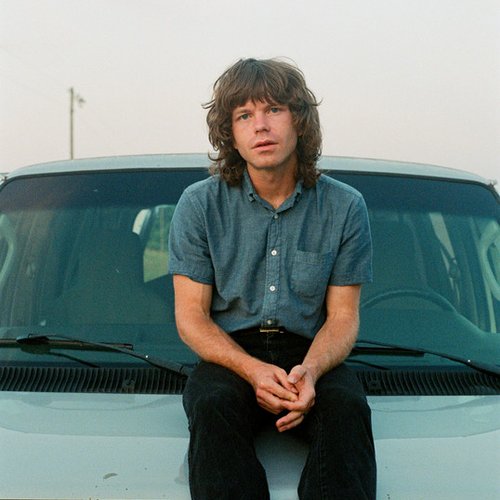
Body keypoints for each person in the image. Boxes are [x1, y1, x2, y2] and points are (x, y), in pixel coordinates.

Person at [168, 57, 376, 499]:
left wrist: (311, 373)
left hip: (311, 353)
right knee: (211, 404)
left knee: (348, 408)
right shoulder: (199, 205)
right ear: (230, 133)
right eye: (244, 115)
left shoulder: (345, 207)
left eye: (273, 110)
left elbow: (343, 317)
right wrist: (253, 370)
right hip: (230, 356)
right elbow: (191, 317)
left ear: (300, 121)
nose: (260, 126)